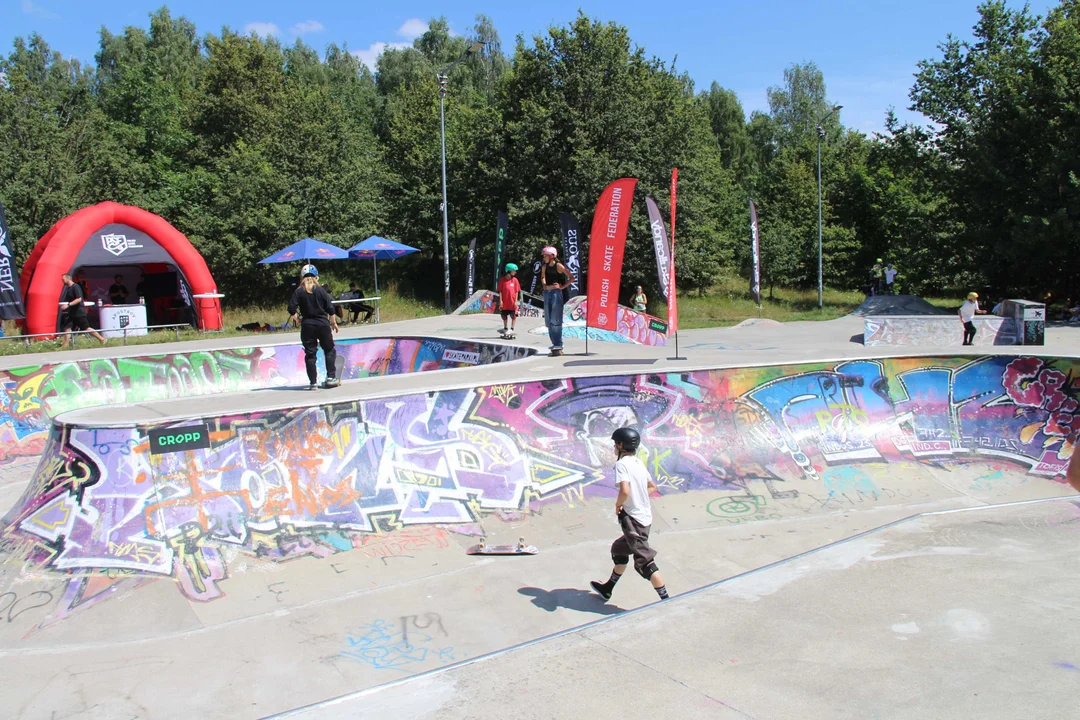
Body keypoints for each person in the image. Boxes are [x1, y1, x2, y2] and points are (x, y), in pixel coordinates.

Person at [590, 427, 669, 602]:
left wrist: (619, 504)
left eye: (614, 444)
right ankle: (608, 588)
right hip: (644, 517)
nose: (613, 448)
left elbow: (624, 490)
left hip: (634, 520)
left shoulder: (621, 464)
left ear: (620, 445)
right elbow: (652, 487)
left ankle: (667, 600)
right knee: (619, 550)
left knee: (645, 563)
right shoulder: (638, 462)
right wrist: (638, 496)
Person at [287, 264, 340, 390]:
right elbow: (331, 309)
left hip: (307, 326)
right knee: (329, 350)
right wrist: (334, 323)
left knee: (310, 354)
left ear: (302, 278)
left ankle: (313, 383)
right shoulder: (321, 290)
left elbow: (291, 309)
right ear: (317, 277)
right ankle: (331, 378)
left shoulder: (299, 292)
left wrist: (298, 320)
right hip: (322, 325)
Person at [540, 246, 574, 357]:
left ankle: (559, 343)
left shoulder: (558, 266)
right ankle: (554, 343)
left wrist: (562, 287)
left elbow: (571, 277)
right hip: (547, 293)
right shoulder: (544, 266)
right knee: (549, 320)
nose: (544, 257)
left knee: (555, 319)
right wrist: (544, 284)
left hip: (556, 293)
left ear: (552, 256)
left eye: (545, 255)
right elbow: (543, 277)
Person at [59, 272, 106, 347]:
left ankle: (102, 339)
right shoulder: (68, 288)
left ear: (68, 279)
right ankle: (66, 344)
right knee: (67, 328)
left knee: (86, 328)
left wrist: (68, 305)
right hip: (72, 312)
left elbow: (79, 299)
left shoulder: (75, 287)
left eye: (63, 279)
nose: (62, 281)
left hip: (79, 312)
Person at [497, 263, 521, 336]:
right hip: (505, 302)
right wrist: (500, 301)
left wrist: (516, 300)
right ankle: (505, 327)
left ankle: (512, 328)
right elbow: (500, 291)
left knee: (513, 315)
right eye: (514, 271)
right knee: (504, 315)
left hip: (512, 302)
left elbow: (517, 291)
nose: (515, 272)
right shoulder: (502, 280)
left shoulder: (515, 280)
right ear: (508, 271)